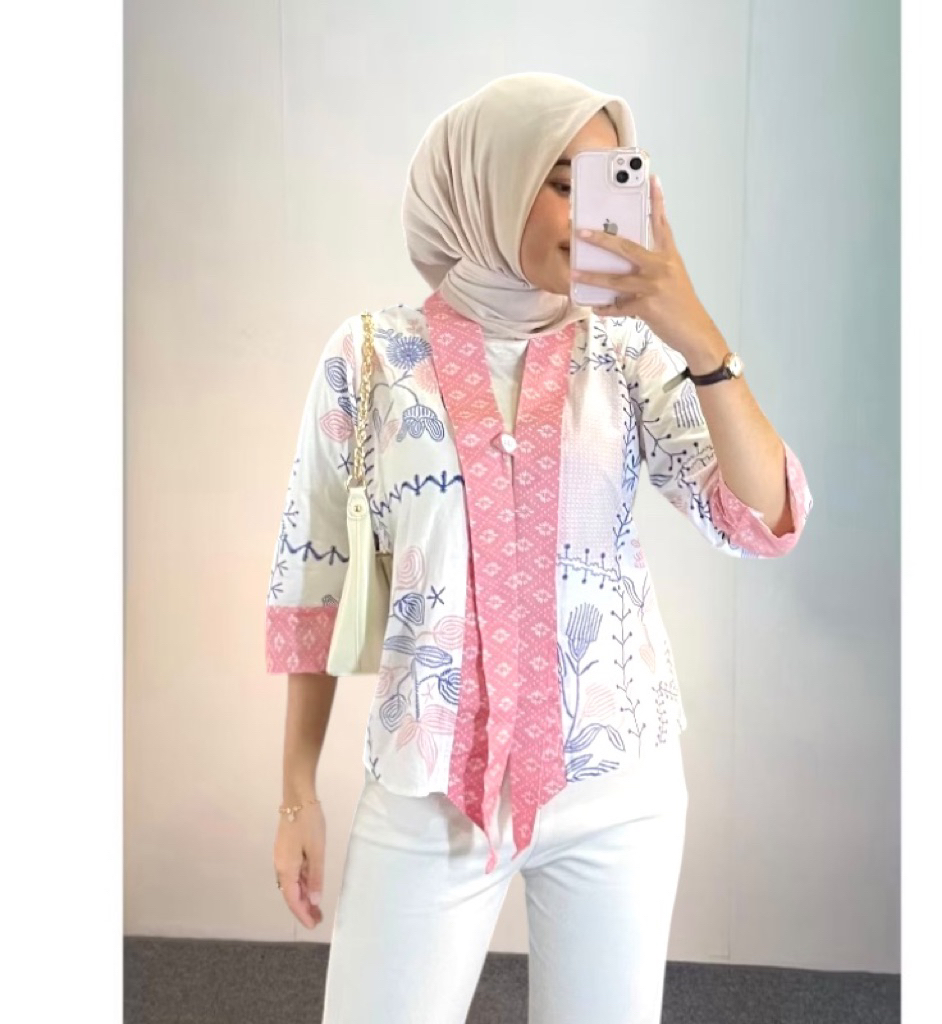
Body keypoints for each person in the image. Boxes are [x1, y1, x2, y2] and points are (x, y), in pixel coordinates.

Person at [266, 72, 812, 1024]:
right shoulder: (370, 357)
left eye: (608, 182)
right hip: (430, 781)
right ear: (490, 184)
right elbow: (314, 578)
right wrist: (295, 792)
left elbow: (759, 519)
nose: (590, 211)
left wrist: (696, 335)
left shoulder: (627, 354)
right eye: (562, 182)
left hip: (617, 787)